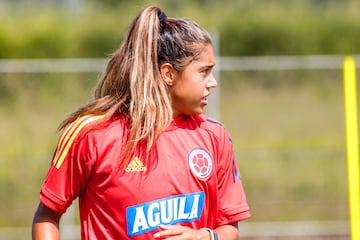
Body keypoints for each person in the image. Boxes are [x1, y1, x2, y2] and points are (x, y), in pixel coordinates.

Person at [32, 5, 250, 240]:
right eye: (204, 72)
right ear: (168, 74)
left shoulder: (214, 136)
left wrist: (205, 237)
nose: (213, 82)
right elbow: (47, 216)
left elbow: (228, 225)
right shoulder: (91, 134)